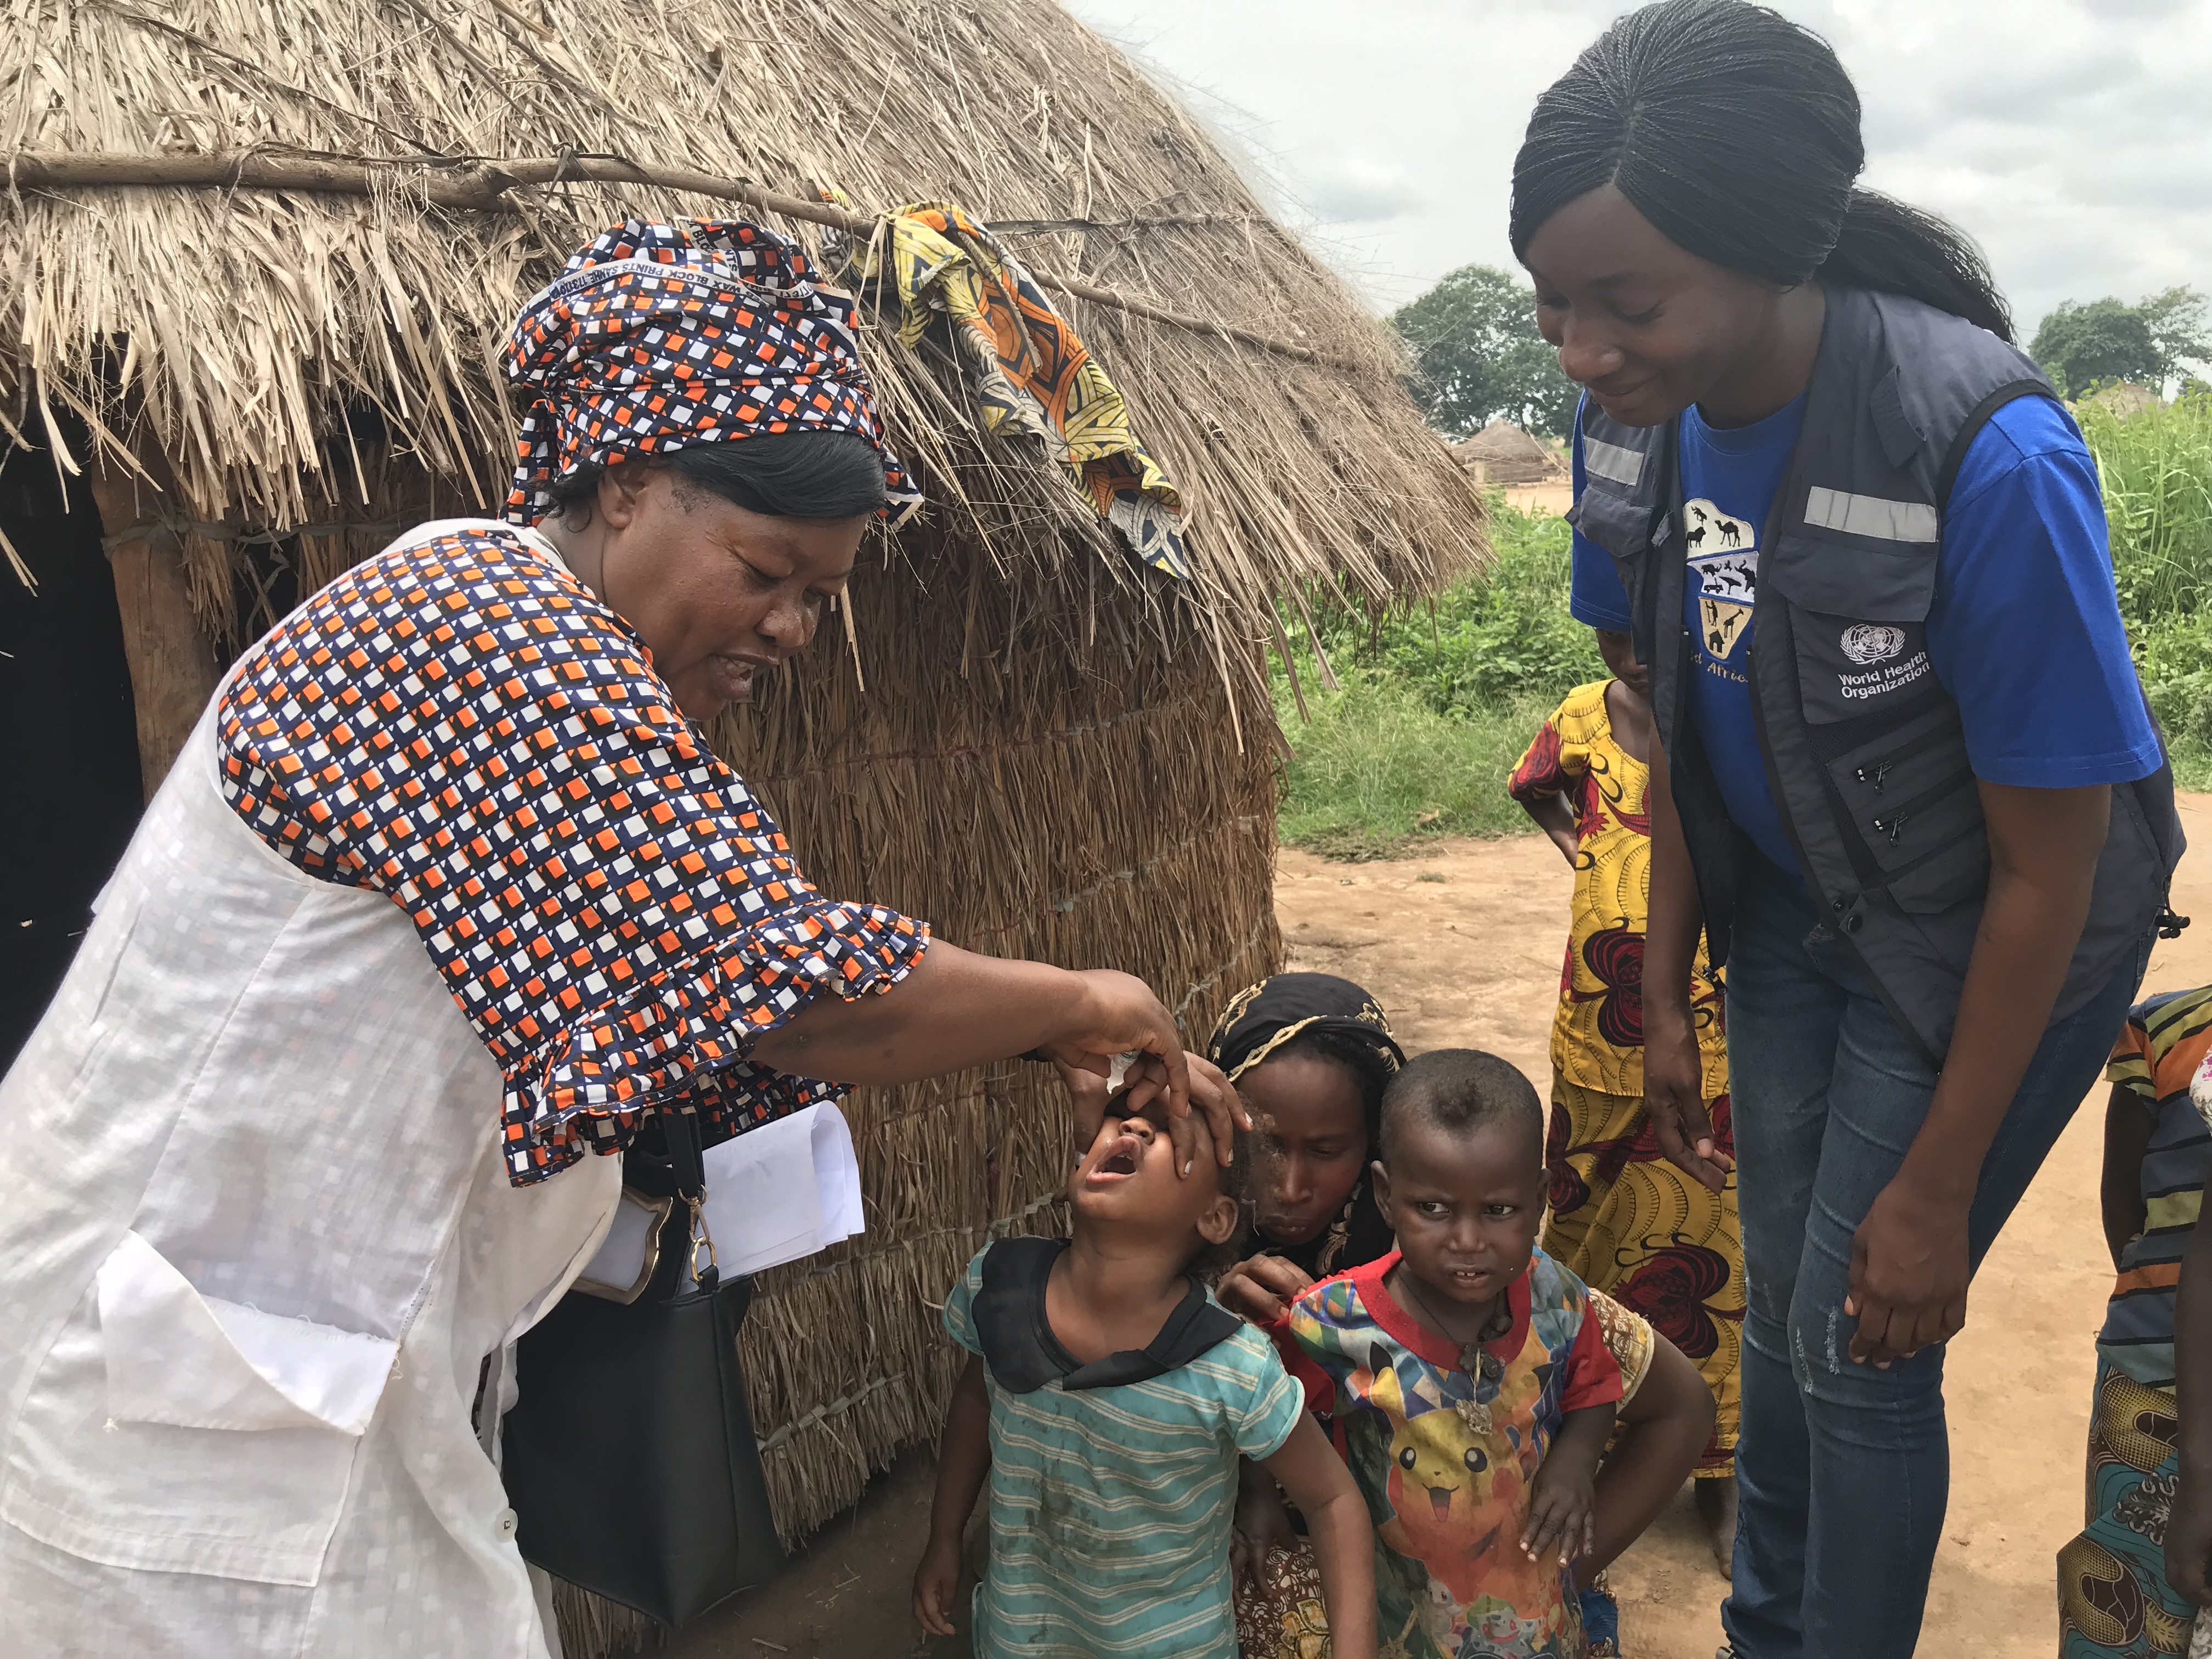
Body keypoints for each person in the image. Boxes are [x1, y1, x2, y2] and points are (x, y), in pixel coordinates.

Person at [0, 218, 1246, 1659]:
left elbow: (685, 1011)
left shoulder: (539, 647)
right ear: (632, 483)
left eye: (819, 599)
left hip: (276, 1370)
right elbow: (792, 987)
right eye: (765, 570)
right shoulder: (479, 627)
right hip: (161, 1403)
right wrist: (1087, 1002)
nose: (788, 627)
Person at [1514, 4, 2184, 1653]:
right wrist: (1666, 979)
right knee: (1798, 1318)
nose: (1587, 353)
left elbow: (2056, 863)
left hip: (1978, 943)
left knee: (1869, 1335)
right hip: (1792, 922)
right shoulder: (1630, 437)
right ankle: (1777, 1632)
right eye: (1555, 305)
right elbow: (1660, 725)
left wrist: (1942, 1190)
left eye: (1630, 305)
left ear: (1773, 251)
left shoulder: (1986, 452)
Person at [1204, 978, 1713, 1659]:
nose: (1290, 1185)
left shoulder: (1522, 1286)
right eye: (1263, 1145)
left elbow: (1653, 1398)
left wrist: (1543, 1579)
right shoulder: (1194, 1246)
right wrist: (1210, 1330)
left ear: (1375, 1162)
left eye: (1327, 1150)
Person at [910, 1098, 1378, 1659]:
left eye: (1168, 1131)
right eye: (1121, 1116)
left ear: (1214, 1217)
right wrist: (945, 1537)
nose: (1131, 1126)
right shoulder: (998, 1284)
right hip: (1021, 1637)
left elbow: (1331, 1501)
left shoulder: (1231, 1366)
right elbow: (975, 1402)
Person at [1510, 628, 1743, 1572]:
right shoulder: (1579, 718)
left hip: (1704, 1047)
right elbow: (1531, 782)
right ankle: (1577, 1432)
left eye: (1657, 630)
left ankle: (1718, 1471)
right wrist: (1586, 848)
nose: (1637, 651)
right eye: (1617, 631)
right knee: (1573, 1239)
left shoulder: (1729, 722)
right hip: (1589, 1042)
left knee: (1702, 1259)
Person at [1275, 1049, 1626, 1659]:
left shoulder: (1556, 1297)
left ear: (1540, 1199)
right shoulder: (1334, 1322)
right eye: (1432, 1209)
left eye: (1499, 1211)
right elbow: (1264, 1410)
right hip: (1401, 1624)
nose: (1467, 1241)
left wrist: (1576, 1458)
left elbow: (1593, 1387)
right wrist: (1258, 1498)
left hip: (1536, 1626)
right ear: (1386, 1197)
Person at [2058, 987, 2212, 1657]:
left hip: (2150, 1368)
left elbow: (2122, 1203)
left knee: (2130, 1615)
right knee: (2135, 1606)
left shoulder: (2168, 1029)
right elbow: (2121, 1203)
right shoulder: (2164, 1030)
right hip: (2156, 1384)